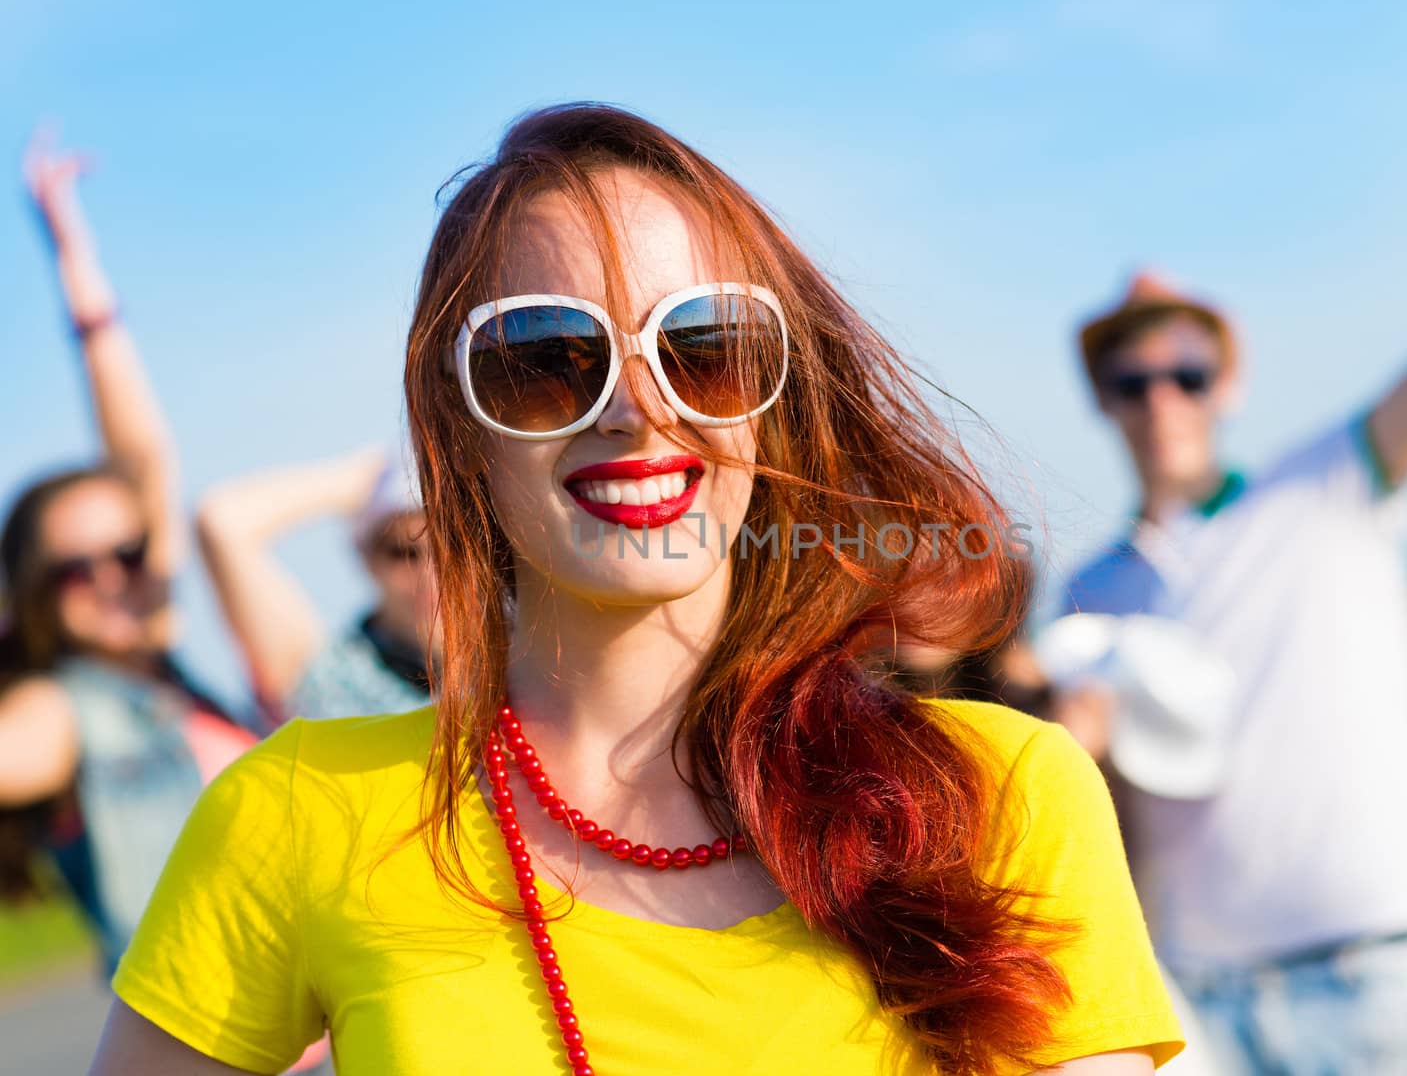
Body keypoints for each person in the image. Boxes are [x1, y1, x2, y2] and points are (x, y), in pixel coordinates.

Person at [91, 103, 1186, 1075]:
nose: (635, 410)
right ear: (458, 433)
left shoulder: (995, 794)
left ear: (771, 399)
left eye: (702, 347)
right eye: (544, 360)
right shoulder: (299, 811)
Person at [1057, 62, 1407, 1074]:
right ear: (1103, 399)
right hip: (1198, 1000)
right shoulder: (1088, 597)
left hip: (1373, 980)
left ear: (1229, 379)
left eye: (1187, 371)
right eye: (1132, 379)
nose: (1161, 397)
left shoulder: (1328, 485)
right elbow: (1107, 831)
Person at [0, 132, 258, 974]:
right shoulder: (56, 714)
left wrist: (81, 270)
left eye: (128, 550)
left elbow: (145, 460)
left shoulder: (175, 677)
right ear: (35, 594)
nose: (113, 577)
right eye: (75, 569)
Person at [196, 445, 438, 724]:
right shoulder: (330, 680)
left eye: (452, 549)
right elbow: (221, 521)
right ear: (365, 559)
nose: (430, 574)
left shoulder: (500, 661)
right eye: (402, 552)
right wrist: (357, 479)